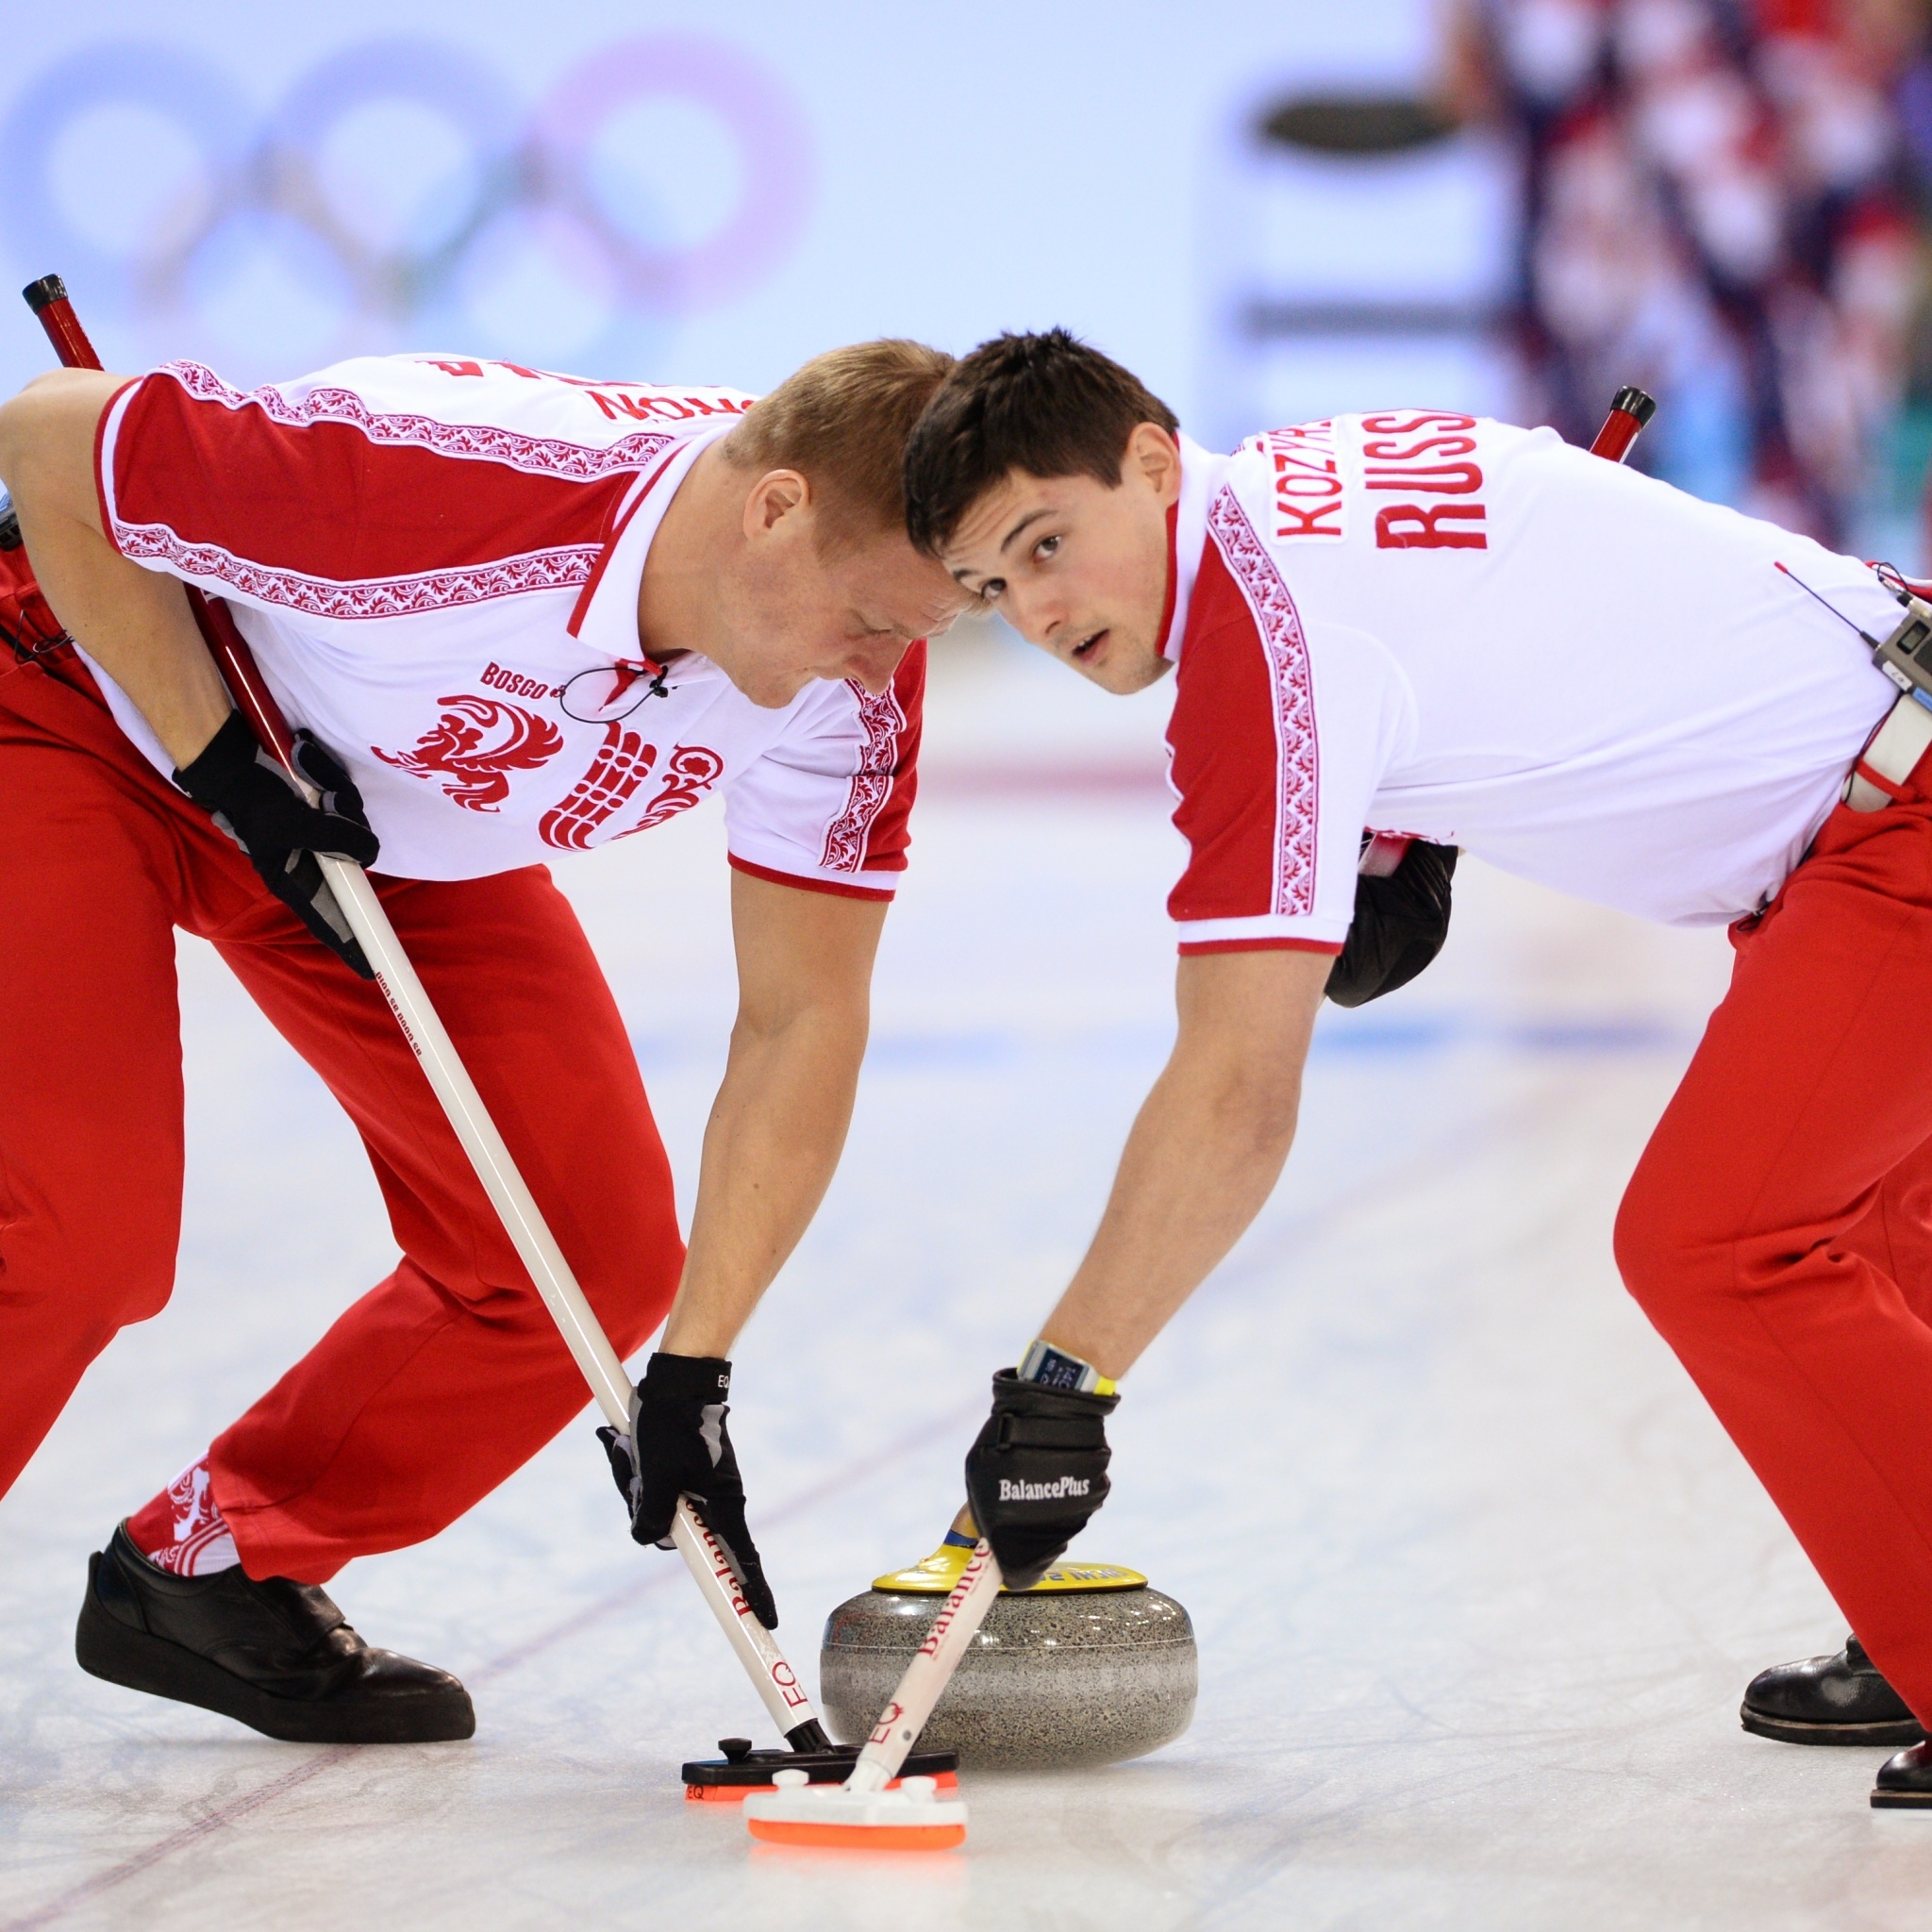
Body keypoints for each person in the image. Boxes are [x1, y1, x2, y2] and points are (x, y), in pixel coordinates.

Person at [882, 325, 1932, 1807]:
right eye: (993, 590)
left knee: (1730, 1243)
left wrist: (1067, 1387)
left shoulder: (1258, 639)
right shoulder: (1311, 468)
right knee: (1881, 1243)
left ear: (1153, 459)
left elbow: (1235, 1096)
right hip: (1873, 786)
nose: (1038, 611)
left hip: (1897, 829)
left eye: (1049, 545)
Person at [0, 339, 966, 1743]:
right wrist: (217, 762)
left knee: (588, 1251)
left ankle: (214, 1567)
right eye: (873, 616)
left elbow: (805, 1012)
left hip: (357, 806)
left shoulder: (852, 687)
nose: (886, 667)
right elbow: (49, 435)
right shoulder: (452, 484)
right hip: (76, 706)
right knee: (76, 1236)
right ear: (777, 511)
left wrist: (697, 1365)